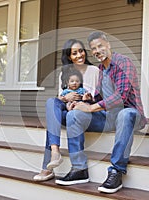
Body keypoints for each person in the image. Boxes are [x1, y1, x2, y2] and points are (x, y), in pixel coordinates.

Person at [55, 31, 147, 194]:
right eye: (93, 48)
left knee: (125, 114)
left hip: (128, 114)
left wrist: (91, 108)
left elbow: (120, 97)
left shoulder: (123, 62)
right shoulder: (100, 69)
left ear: (108, 45)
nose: (97, 50)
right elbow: (100, 96)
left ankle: (116, 171)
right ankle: (79, 169)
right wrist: (86, 100)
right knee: (73, 114)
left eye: (100, 46)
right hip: (108, 116)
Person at [33, 39, 99, 181]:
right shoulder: (64, 73)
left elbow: (98, 98)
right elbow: (60, 97)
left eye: (81, 51)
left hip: (84, 112)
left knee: (53, 123)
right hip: (68, 109)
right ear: (69, 56)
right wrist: (66, 98)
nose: (79, 55)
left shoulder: (94, 71)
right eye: (74, 53)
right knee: (52, 102)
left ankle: (46, 168)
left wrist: (86, 99)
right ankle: (55, 152)